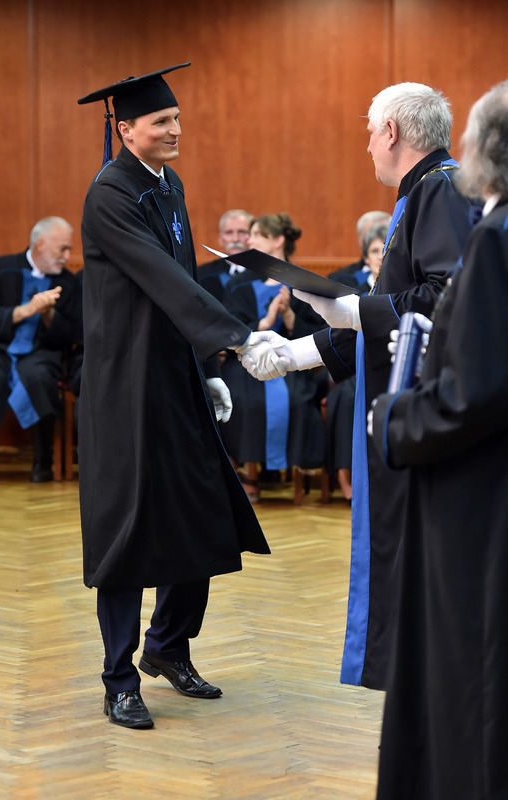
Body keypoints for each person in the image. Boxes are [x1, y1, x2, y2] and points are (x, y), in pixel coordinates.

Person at [242, 83, 478, 690]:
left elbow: (445, 297)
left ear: (392, 132)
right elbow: (385, 315)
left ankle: (416, 674)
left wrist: (352, 309)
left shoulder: (439, 189)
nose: (368, 145)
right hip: (399, 399)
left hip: (416, 407)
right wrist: (293, 355)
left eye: (370, 132)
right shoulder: (424, 191)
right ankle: (408, 672)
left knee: (410, 544)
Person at [76, 63, 285, 730]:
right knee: (126, 530)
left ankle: (167, 646)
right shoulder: (110, 193)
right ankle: (118, 679)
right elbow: (160, 278)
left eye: (176, 118)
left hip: (176, 375)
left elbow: (185, 278)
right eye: (161, 121)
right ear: (125, 130)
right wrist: (236, 338)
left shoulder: (170, 186)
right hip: (126, 386)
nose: (175, 129)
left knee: (200, 511)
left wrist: (206, 365)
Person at [369, 79, 508, 800]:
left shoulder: (492, 236)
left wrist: (393, 420)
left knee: (466, 672)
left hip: (476, 493)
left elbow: (472, 389)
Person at [220, 213, 327, 501]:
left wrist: (290, 316)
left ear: (278, 240)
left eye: (257, 235)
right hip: (245, 360)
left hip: (293, 361)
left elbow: (321, 332)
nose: (249, 240)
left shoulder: (303, 281)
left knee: (298, 398)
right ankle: (249, 473)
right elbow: (227, 327)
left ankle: (294, 469)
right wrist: (264, 323)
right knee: (245, 398)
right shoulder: (239, 282)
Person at [0, 216, 80, 483]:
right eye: (62, 249)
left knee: (39, 378)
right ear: (41, 244)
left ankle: (42, 462)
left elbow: (72, 334)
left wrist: (48, 314)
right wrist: (26, 310)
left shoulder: (68, 282)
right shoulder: (1, 268)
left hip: (40, 352)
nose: (67, 257)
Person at [324, 223, 388, 500]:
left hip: (385, 362)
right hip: (351, 363)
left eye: (385, 250)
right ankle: (344, 474)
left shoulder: (398, 289)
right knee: (347, 395)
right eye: (374, 251)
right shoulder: (352, 290)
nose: (380, 256)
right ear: (365, 258)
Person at [198, 209, 253, 302]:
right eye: (229, 233)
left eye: (242, 232)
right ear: (220, 239)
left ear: (252, 236)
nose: (235, 239)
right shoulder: (202, 275)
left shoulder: (264, 274)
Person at [327, 210, 391, 282]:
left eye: (385, 234)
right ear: (361, 240)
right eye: (371, 235)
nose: (380, 256)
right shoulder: (338, 280)